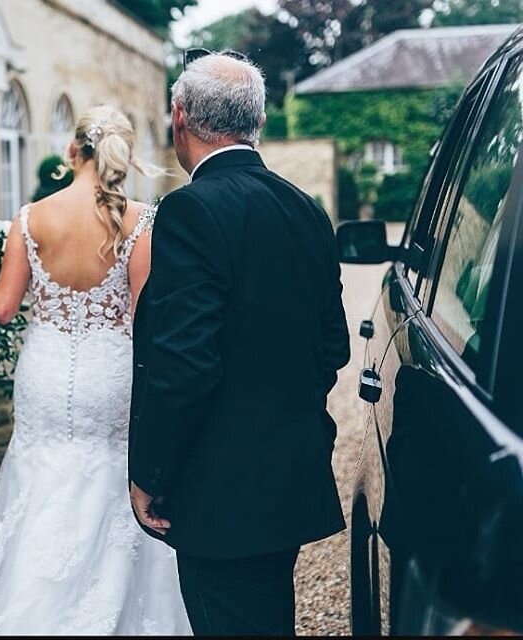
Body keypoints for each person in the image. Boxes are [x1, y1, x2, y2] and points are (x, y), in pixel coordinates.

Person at [128, 51, 350, 636]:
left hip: (219, 490)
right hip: (288, 476)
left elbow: (183, 364)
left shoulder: (188, 210)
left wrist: (150, 473)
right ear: (257, 121)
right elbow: (333, 348)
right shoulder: (308, 210)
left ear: (180, 117)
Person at [0, 105, 191, 636]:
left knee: (42, 476)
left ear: (72, 150)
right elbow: (144, 317)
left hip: (46, 371)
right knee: (113, 473)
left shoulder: (30, 217)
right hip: (110, 372)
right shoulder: (141, 221)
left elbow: (2, 307)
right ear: (123, 156)